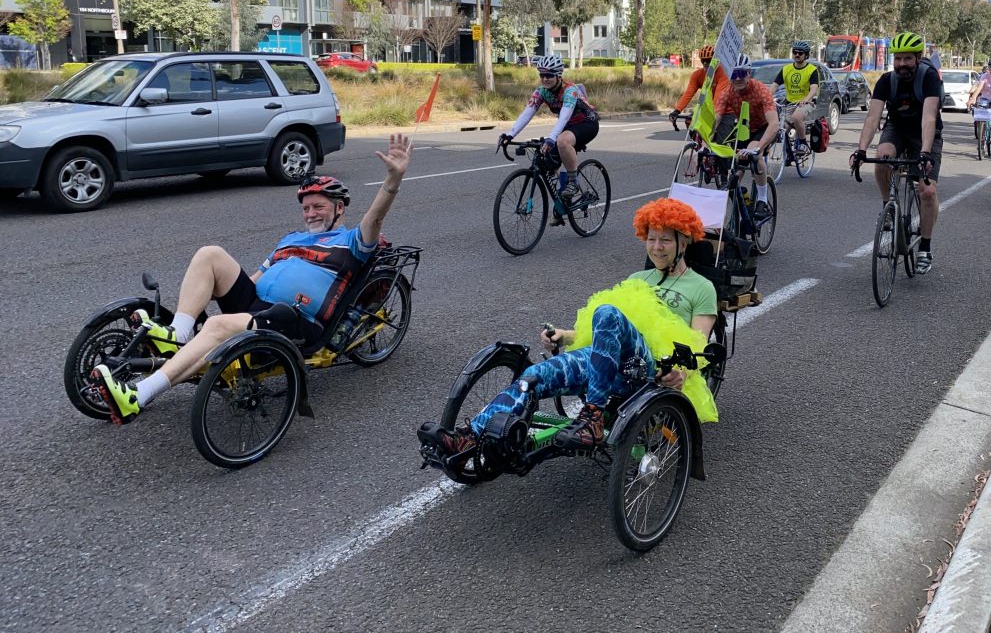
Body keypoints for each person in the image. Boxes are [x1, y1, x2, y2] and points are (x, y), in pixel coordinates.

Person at [92, 135, 415, 424]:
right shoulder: (291, 239)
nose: (311, 213)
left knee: (217, 327)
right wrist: (224, 300)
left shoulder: (352, 242)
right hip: (258, 307)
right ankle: (176, 333)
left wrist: (393, 179)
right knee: (210, 254)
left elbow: (375, 217)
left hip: (296, 320)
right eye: (306, 208)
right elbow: (254, 278)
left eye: (318, 206)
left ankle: (138, 395)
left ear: (340, 208)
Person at [418, 198, 719, 460]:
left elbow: (699, 345)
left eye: (665, 240)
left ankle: (593, 417)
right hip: (604, 362)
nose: (656, 247)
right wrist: (565, 335)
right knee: (533, 376)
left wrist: (682, 372)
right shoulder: (639, 277)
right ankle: (469, 437)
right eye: (651, 239)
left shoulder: (701, 288)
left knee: (608, 311)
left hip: (647, 367)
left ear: (683, 242)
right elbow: (603, 333)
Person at [850, 31, 943, 275]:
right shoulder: (886, 80)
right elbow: (872, 117)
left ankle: (925, 247)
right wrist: (861, 150)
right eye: (898, 59)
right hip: (898, 128)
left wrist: (924, 152)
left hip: (925, 132)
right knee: (882, 158)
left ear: (917, 58)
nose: (902, 64)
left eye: (907, 59)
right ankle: (887, 207)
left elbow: (929, 117)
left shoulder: (929, 78)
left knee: (927, 190)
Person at [499, 54, 600, 207]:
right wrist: (510, 134)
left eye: (549, 75)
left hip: (586, 124)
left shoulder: (569, 90)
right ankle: (563, 202)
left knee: (562, 141)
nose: (545, 79)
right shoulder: (541, 92)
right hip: (567, 127)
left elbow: (564, 117)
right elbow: (527, 114)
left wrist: (551, 138)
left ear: (558, 75)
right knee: (548, 163)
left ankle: (573, 183)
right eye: (542, 75)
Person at [714, 54, 780, 221]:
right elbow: (717, 118)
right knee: (734, 174)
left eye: (741, 74)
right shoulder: (727, 91)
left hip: (764, 128)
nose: (737, 79)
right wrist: (705, 141)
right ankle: (742, 202)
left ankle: (762, 200)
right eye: (733, 74)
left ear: (749, 73)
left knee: (754, 154)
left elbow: (774, 124)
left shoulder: (760, 90)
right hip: (744, 128)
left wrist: (760, 147)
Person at [773, 40, 821, 157]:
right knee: (782, 128)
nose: (797, 55)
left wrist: (806, 99)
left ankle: (803, 143)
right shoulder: (786, 69)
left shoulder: (812, 70)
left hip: (807, 103)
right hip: (789, 103)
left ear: (806, 55)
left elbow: (814, 88)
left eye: (800, 53)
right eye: (795, 52)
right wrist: (766, 97)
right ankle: (788, 153)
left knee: (796, 117)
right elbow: (775, 85)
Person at [670, 44, 728, 120]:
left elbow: (718, 98)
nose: (705, 63)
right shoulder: (697, 75)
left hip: (725, 109)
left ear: (715, 60)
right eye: (703, 60)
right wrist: (677, 110)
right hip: (707, 107)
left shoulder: (722, 73)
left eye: (708, 60)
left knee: (720, 129)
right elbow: (688, 93)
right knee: (689, 121)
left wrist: (711, 115)